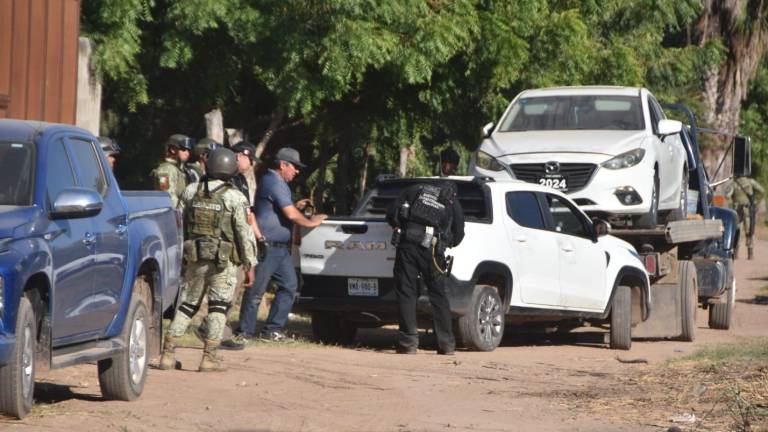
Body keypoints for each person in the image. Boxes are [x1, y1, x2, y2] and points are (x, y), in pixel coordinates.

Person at [159, 147, 257, 372]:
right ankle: (209, 358)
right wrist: (250, 262)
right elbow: (244, 233)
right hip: (223, 262)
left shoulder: (191, 191)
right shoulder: (235, 197)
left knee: (186, 305)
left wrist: (179, 254)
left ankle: (167, 354)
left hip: (194, 258)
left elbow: (178, 223)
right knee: (218, 307)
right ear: (231, 169)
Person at [232, 147, 327, 342]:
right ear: (283, 165)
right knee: (256, 290)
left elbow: (284, 209)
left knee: (290, 285)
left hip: (281, 249)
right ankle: (245, 332)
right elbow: (290, 214)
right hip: (268, 245)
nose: (297, 171)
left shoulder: (278, 183)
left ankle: (272, 330)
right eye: (294, 167)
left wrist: (297, 206)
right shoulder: (272, 180)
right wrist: (312, 221)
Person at [386, 180, 465, 355]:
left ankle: (408, 343)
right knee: (438, 295)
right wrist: (446, 242)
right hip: (434, 250)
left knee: (406, 292)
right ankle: (446, 345)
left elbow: (391, 213)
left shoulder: (413, 189)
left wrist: (401, 227)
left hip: (408, 244)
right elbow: (459, 234)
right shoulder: (452, 200)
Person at [726, 172, 765, 260]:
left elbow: (727, 195)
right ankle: (750, 254)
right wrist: (756, 202)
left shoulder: (734, 184)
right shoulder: (750, 182)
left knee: (737, 231)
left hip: (738, 210)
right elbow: (762, 191)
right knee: (750, 231)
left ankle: (736, 254)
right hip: (748, 210)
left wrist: (732, 204)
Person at [151, 134, 194, 208]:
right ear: (173, 150)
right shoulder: (165, 170)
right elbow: (168, 197)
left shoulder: (182, 170)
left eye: (189, 150)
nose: (187, 153)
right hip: (171, 215)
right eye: (183, 149)